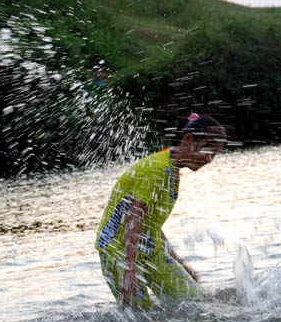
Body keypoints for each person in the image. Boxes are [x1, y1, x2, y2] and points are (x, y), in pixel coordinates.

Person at [95, 113, 227, 309]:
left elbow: (151, 224)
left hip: (149, 249)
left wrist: (179, 263)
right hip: (119, 252)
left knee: (196, 302)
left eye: (215, 154)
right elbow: (134, 218)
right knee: (139, 316)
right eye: (208, 150)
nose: (209, 159)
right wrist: (129, 269)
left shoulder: (171, 171)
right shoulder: (156, 169)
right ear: (188, 139)